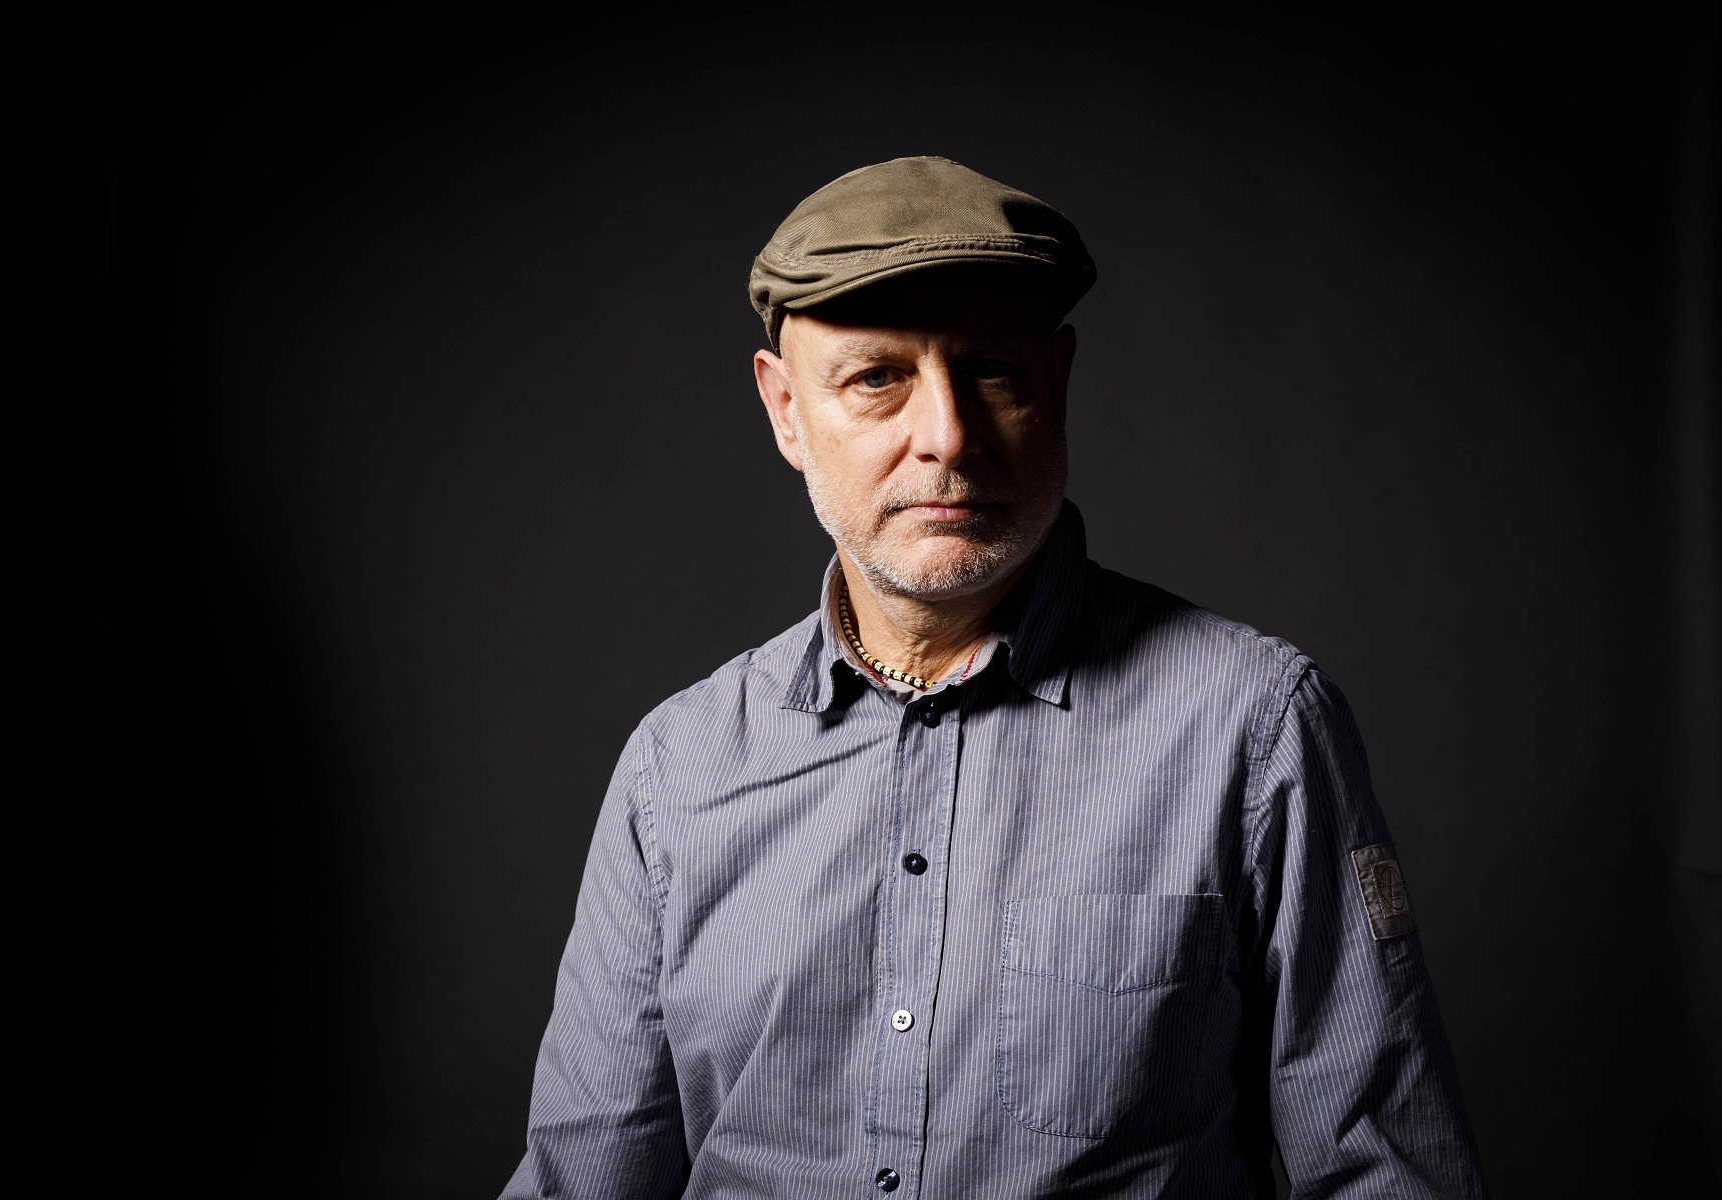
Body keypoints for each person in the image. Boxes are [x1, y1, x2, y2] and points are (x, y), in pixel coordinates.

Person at [499, 156, 1485, 1198]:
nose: (947, 437)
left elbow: (1388, 1176)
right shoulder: (678, 768)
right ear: (786, 410)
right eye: (876, 378)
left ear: (1056, 383)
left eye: (993, 372)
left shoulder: (1256, 726)